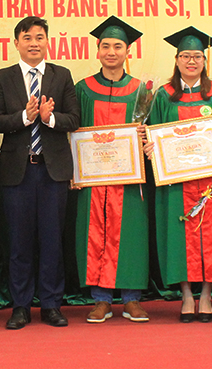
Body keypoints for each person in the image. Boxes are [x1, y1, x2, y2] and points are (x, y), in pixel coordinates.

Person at [0, 16, 80, 329]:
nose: (33, 43)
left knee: (52, 241)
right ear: (16, 43)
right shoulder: (2, 77)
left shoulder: (61, 75)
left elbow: (74, 119)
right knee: (19, 243)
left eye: (39, 37)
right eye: (27, 38)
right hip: (17, 172)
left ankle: (52, 305)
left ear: (47, 42)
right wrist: (25, 118)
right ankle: (21, 306)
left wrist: (49, 118)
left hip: (53, 172)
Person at [149, 26, 212, 323]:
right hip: (176, 182)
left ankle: (207, 295)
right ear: (176, 60)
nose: (191, 61)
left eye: (197, 56)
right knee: (178, 235)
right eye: (185, 56)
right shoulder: (163, 96)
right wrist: (150, 148)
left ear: (204, 60)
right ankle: (187, 295)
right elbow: (154, 134)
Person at [73, 17, 151, 324]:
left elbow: (154, 132)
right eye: (105, 46)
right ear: (97, 51)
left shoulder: (141, 90)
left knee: (131, 234)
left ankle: (132, 299)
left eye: (118, 46)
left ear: (128, 51)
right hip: (93, 178)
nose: (111, 52)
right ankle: (101, 299)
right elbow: (73, 132)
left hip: (130, 178)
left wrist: (146, 137)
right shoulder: (83, 89)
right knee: (95, 233)